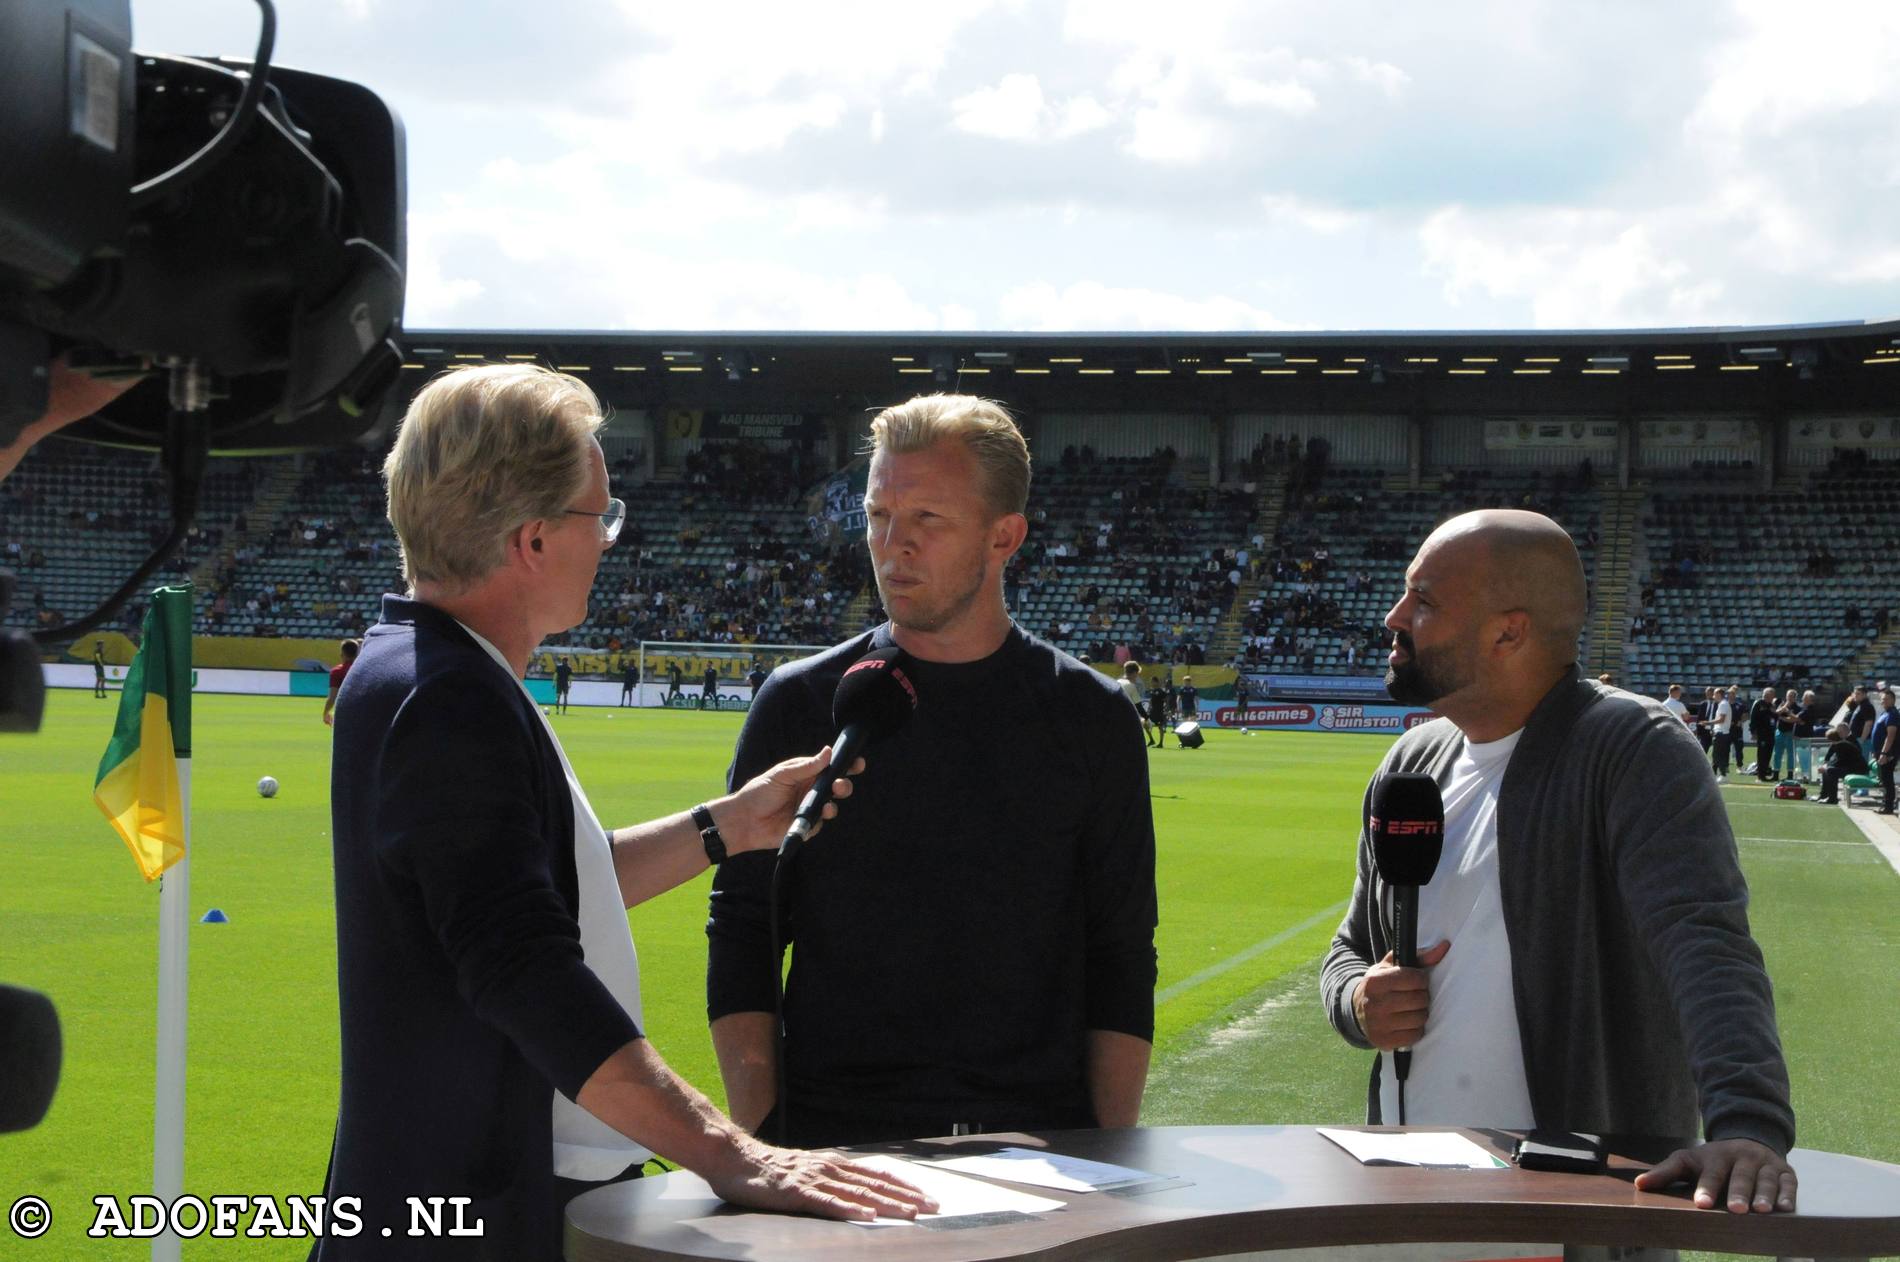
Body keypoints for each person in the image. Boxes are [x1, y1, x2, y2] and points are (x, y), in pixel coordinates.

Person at [319, 365, 931, 1260]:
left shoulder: (424, 666)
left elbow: (540, 886)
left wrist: (731, 825)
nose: (609, 539)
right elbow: (522, 966)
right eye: (598, 516)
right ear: (531, 540)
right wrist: (736, 1155)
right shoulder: (452, 700)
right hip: (480, 1209)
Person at [705, 393, 1157, 1149]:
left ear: (1003, 535)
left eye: (927, 521)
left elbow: (1121, 950)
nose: (893, 546)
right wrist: (761, 1131)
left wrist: (1108, 1144)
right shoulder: (801, 703)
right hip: (832, 1146)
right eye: (880, 516)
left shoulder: (1092, 717)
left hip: (1042, 1146)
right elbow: (743, 931)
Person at [1321, 509, 1797, 1218]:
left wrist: (1749, 1127)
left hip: (1574, 1207)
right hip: (1407, 1190)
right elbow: (1349, 950)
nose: (1394, 618)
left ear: (1508, 631)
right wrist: (1358, 1002)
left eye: (1423, 601)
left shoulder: (1631, 748)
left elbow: (1705, 944)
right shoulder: (1410, 765)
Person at [1814, 724, 1869, 805]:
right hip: (1851, 767)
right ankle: (1824, 795)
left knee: (1830, 771)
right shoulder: (1840, 744)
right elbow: (1835, 759)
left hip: (1858, 770)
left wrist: (1827, 767)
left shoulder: (1843, 745)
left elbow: (1841, 762)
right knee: (1827, 770)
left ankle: (1832, 799)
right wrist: (1825, 766)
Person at [321, 639, 359, 727]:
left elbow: (332, 698)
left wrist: (325, 712)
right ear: (357, 653)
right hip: (363, 713)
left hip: (344, 713)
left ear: (342, 654)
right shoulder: (365, 669)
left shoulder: (337, 671)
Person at [1874, 687, 1898, 816]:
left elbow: (1891, 735)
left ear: (1893, 700)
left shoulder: (1893, 714)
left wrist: (1884, 753)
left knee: (1888, 780)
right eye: (1882, 699)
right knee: (1884, 779)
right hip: (1881, 752)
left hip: (1888, 753)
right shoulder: (1885, 713)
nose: (1883, 701)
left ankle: (1888, 807)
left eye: (1886, 699)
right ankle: (1885, 804)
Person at [1118, 660, 1154, 745]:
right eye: (1137, 674)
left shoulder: (1118, 682)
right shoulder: (1131, 686)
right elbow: (1139, 707)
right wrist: (1148, 719)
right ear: (1134, 673)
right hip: (1125, 719)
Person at [1749, 686, 1778, 781]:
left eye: (1771, 695)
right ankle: (1760, 775)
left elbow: (1775, 718)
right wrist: (1753, 732)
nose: (1769, 697)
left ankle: (1765, 773)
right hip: (1762, 733)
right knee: (1762, 754)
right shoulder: (1758, 703)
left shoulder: (1772, 706)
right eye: (1768, 695)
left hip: (1771, 733)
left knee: (1768, 753)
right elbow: (1753, 718)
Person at [1710, 685, 1737, 782]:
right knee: (1718, 754)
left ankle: (1723, 775)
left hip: (1721, 733)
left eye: (1714, 694)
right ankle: (1719, 774)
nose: (1713, 696)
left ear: (1718, 694)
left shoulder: (1723, 704)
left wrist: (1708, 723)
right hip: (1721, 733)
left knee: (1718, 755)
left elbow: (1721, 720)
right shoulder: (1723, 704)